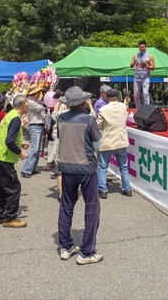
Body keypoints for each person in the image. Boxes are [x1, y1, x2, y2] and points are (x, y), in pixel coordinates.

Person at [56, 86, 103, 264]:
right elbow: (97, 145)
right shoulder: (89, 120)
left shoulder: (60, 119)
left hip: (67, 166)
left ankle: (66, 246)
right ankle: (87, 251)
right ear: (83, 102)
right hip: (86, 167)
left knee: (66, 205)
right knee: (91, 207)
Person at [0, 94, 29, 228]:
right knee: (13, 187)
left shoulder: (10, 114)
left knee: (2, 186)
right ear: (23, 105)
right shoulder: (16, 119)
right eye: (27, 103)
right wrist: (20, 153)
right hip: (3, 157)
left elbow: (9, 137)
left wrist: (20, 143)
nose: (28, 105)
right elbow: (9, 141)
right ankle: (10, 218)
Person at [96, 88, 131, 199]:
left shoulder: (103, 109)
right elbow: (125, 109)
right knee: (123, 167)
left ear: (107, 97)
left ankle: (102, 190)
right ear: (118, 97)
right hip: (121, 140)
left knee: (102, 166)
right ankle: (127, 189)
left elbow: (99, 125)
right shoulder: (123, 107)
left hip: (108, 141)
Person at [21, 85, 46, 178]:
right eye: (38, 92)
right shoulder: (30, 102)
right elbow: (39, 108)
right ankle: (26, 170)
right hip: (34, 125)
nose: (40, 93)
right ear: (33, 93)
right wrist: (45, 104)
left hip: (40, 125)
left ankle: (32, 168)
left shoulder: (38, 101)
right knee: (34, 149)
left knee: (38, 149)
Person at [130, 40, 155, 108]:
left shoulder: (149, 56)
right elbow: (131, 66)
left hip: (145, 78)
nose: (141, 48)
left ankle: (146, 108)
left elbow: (153, 67)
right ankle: (138, 108)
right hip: (137, 77)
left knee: (145, 93)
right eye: (140, 47)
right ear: (138, 47)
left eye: (143, 47)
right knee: (136, 94)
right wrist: (134, 61)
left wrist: (146, 65)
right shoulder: (135, 55)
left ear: (145, 47)